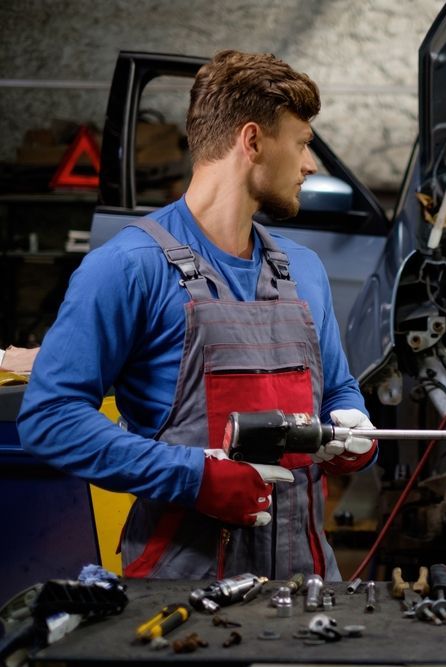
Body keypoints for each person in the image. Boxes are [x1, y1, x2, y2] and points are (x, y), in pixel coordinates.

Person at [17, 50, 376, 581]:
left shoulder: (304, 270)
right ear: (252, 141)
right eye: (302, 144)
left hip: (305, 580)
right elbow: (51, 418)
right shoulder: (127, 268)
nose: (310, 165)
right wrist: (194, 477)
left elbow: (338, 390)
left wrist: (351, 429)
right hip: (181, 583)